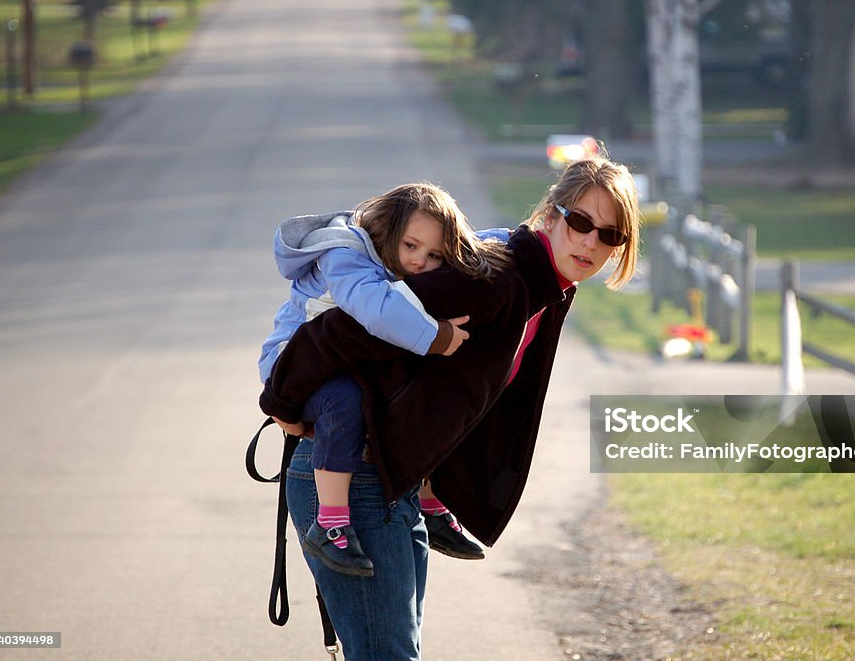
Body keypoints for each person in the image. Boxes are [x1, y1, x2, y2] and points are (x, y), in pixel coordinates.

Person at [261, 156, 641, 660]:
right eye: (580, 222)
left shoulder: (541, 289)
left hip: (395, 483)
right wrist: (282, 398)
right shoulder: (499, 278)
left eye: (610, 235)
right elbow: (349, 322)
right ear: (551, 215)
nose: (591, 242)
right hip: (353, 480)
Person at [258, 182, 510, 577]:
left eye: (433, 256)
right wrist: (437, 336)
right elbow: (374, 309)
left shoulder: (394, 257)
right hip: (292, 366)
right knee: (345, 400)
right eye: (411, 246)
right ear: (386, 230)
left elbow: (478, 243)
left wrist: (518, 242)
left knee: (418, 388)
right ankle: (331, 523)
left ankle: (429, 497)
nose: (419, 262)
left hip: (340, 362)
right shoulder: (345, 255)